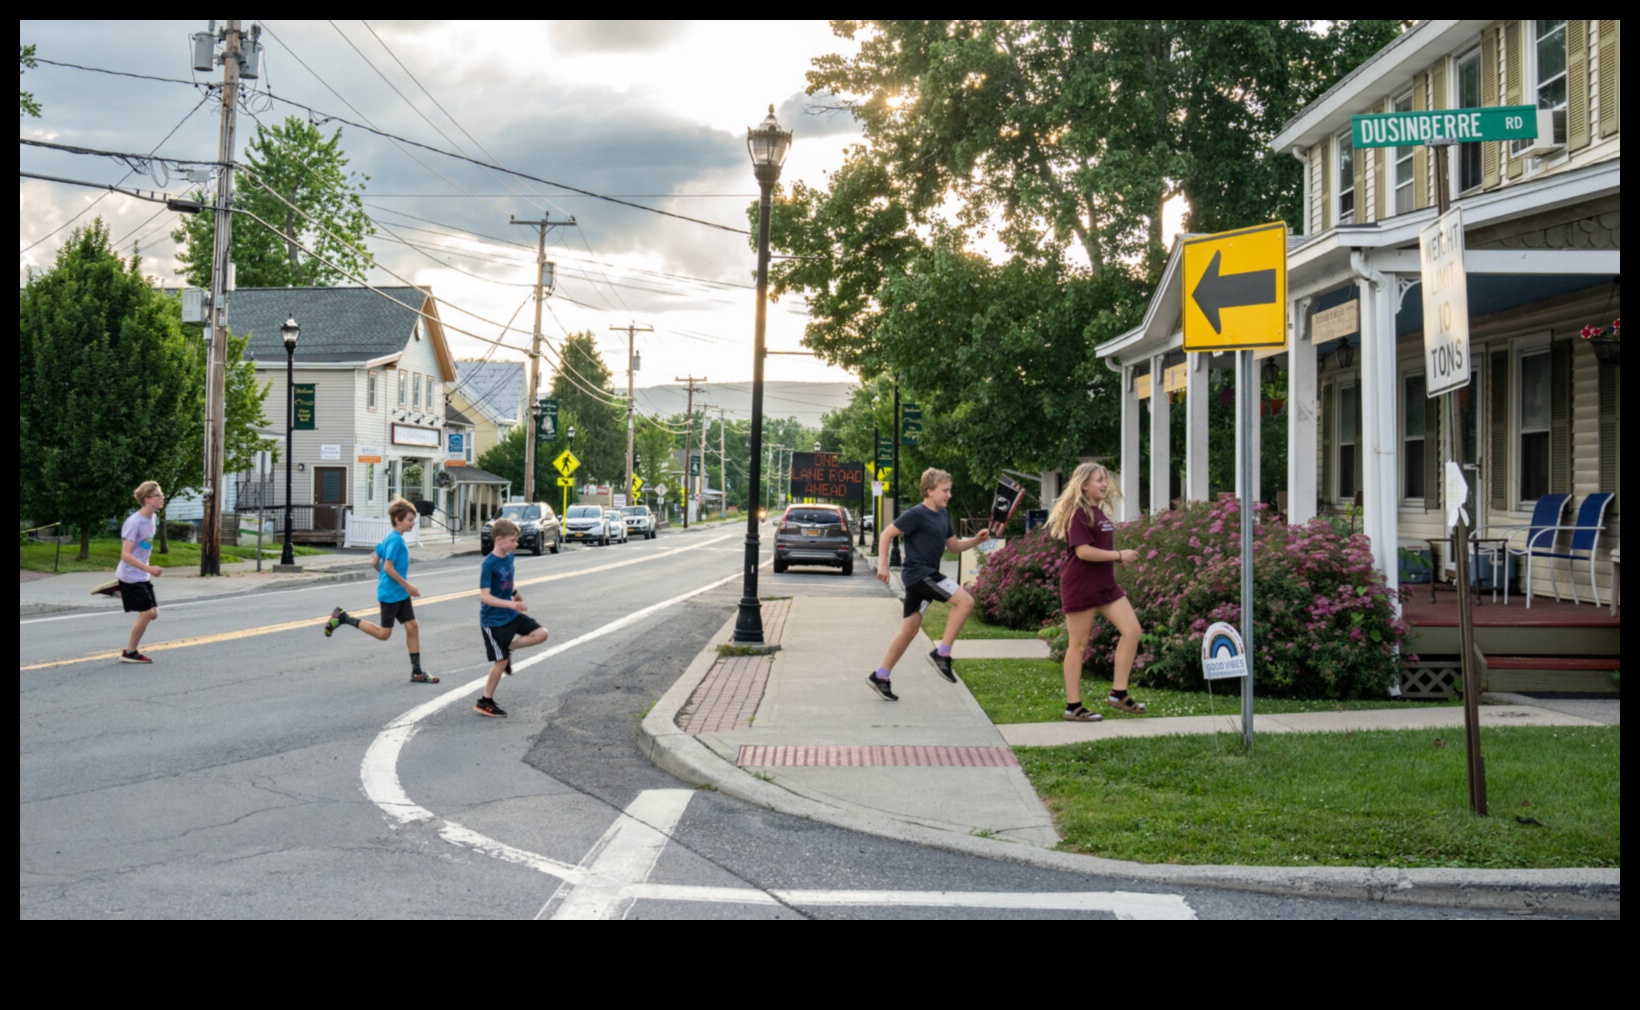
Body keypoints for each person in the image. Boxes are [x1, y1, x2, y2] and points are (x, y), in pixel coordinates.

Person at [867, 468, 991, 700]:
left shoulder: (944, 515)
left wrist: (975, 540)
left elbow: (953, 546)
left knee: (910, 630)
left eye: (950, 490)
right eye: (945, 490)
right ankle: (942, 653)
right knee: (966, 601)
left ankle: (880, 675)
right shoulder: (916, 514)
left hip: (926, 575)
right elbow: (886, 535)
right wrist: (883, 565)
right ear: (930, 491)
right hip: (918, 573)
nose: (949, 495)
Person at [1048, 462, 1146, 721]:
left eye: (1105, 479)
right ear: (1084, 485)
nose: (1104, 484)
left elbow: (1096, 549)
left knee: (1132, 630)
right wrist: (1118, 554)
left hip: (1105, 585)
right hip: (1080, 584)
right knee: (1078, 645)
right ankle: (1073, 706)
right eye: (1099, 480)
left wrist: (1115, 558)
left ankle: (1119, 693)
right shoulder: (1077, 513)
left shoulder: (1096, 511)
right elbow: (1082, 552)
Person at [324, 497, 438, 683]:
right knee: (384, 634)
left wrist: (388, 579)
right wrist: (407, 586)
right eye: (410, 519)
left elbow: (375, 561)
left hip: (398, 593)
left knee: (412, 626)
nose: (413, 523)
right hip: (392, 595)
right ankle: (343, 617)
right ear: (398, 520)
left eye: (413, 519)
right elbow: (387, 567)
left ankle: (417, 672)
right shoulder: (396, 541)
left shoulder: (389, 538)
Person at [474, 517, 549, 717]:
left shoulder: (509, 557)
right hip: (493, 621)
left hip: (510, 614)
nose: (516, 544)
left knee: (541, 634)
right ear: (499, 540)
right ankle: (485, 701)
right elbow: (485, 596)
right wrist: (511, 603)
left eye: (517, 540)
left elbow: (507, 580)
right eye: (513, 540)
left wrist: (515, 593)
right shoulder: (488, 564)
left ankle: (508, 648)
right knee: (500, 663)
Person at [116, 481, 166, 663]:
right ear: (147, 500)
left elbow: (143, 549)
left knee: (154, 614)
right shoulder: (134, 523)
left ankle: (119, 592)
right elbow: (125, 555)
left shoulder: (152, 518)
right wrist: (149, 569)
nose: (162, 498)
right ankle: (130, 652)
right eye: (158, 495)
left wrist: (147, 568)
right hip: (130, 575)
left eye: (161, 495)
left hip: (141, 574)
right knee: (146, 613)